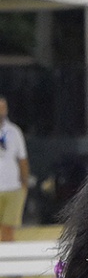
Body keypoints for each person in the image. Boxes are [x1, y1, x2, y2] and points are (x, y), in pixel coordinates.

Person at [0, 96, 30, 241]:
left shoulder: (14, 132)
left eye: (3, 108)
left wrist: (24, 183)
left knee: (8, 230)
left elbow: (22, 159)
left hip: (12, 187)